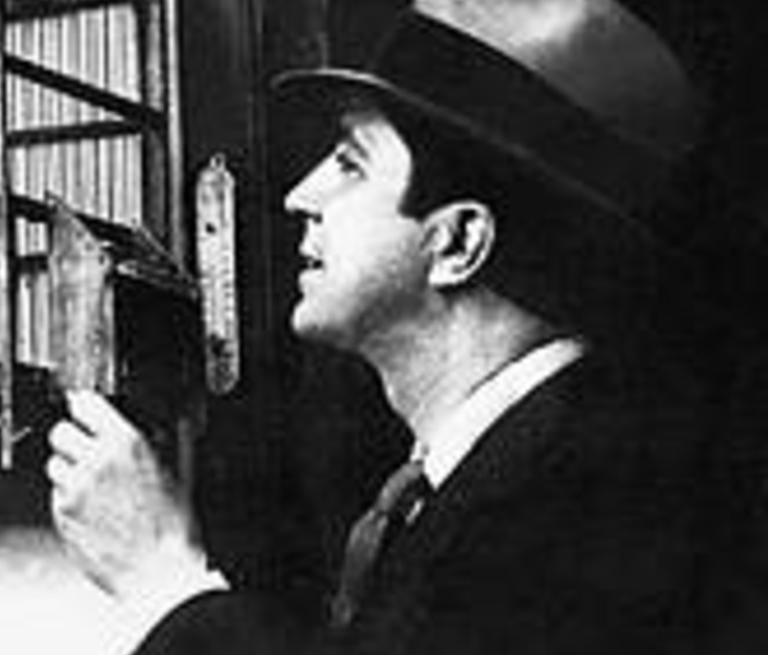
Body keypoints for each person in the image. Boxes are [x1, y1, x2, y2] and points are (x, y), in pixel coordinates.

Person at [46, 0, 728, 653]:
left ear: (458, 241)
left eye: (350, 162)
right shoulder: (509, 474)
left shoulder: (575, 507)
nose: (300, 196)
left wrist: (164, 580)